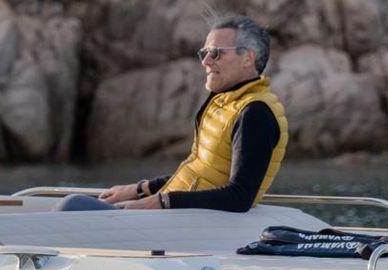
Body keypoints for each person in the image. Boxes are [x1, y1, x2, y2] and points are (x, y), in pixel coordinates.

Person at [83, 14, 289, 213]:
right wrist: (139, 190)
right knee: (75, 205)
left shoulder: (255, 113)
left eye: (216, 53)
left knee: (73, 205)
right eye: (204, 53)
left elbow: (239, 197)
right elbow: (198, 174)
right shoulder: (224, 103)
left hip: (190, 224)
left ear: (247, 58)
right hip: (179, 216)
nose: (205, 61)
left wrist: (160, 202)